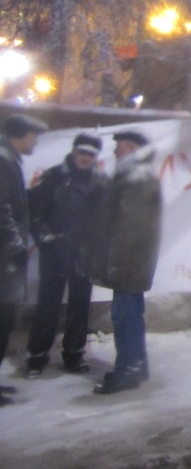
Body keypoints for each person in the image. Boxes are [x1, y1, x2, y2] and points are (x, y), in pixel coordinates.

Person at [26, 132, 108, 378]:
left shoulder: (101, 182)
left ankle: (74, 355)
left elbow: (106, 220)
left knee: (79, 308)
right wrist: (46, 240)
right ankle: (36, 358)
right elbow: (35, 214)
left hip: (84, 255)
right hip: (55, 253)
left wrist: (98, 248)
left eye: (91, 154)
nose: (85, 158)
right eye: (82, 152)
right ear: (73, 152)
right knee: (47, 306)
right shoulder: (53, 177)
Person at [91, 130, 162, 395]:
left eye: (119, 146)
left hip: (128, 263)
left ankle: (127, 372)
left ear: (132, 148)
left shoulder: (136, 179)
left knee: (124, 317)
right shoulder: (135, 176)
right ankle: (136, 365)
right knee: (131, 315)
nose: (114, 151)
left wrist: (115, 263)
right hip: (132, 262)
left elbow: (130, 228)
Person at [0, 114, 46, 405]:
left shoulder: (9, 159)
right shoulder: (3, 159)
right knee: (1, 321)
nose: (36, 142)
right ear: (21, 134)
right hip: (4, 260)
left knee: (4, 323)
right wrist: (15, 245)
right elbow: (2, 209)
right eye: (33, 136)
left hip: (6, 259)